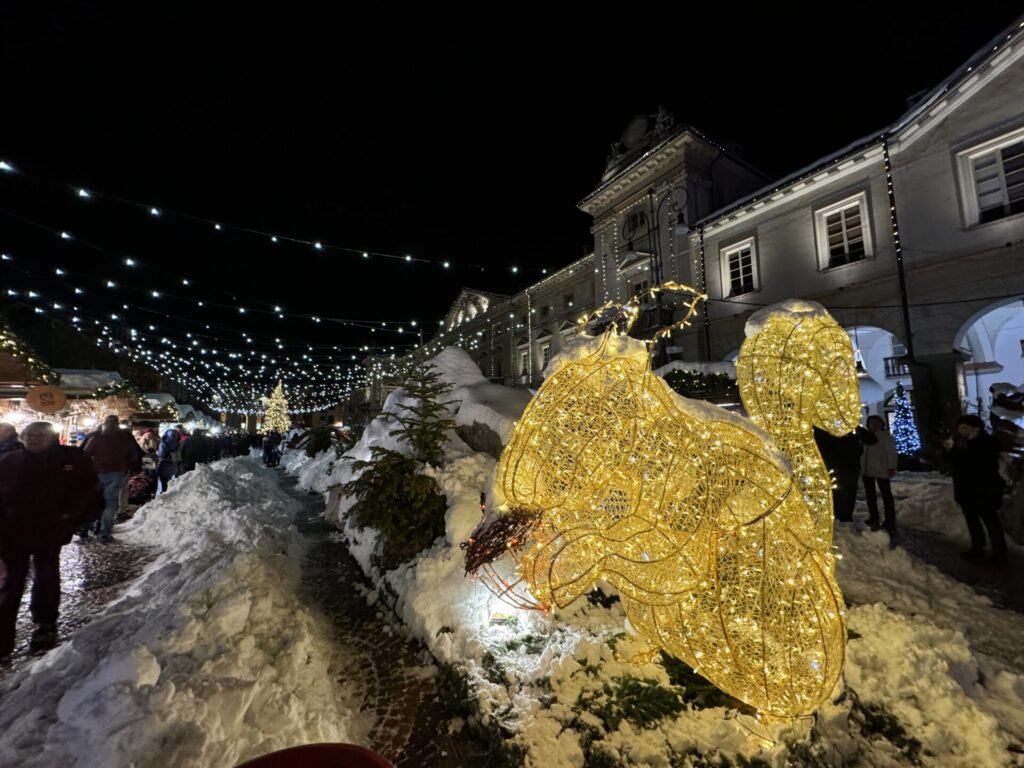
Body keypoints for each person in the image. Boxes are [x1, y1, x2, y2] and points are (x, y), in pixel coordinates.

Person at [0, 422, 101, 656]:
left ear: (51, 438)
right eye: (29, 435)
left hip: (49, 530)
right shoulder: (10, 461)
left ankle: (45, 623)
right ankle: (4, 635)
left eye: (39, 435)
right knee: (10, 582)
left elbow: (87, 490)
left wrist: (68, 516)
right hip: (13, 532)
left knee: (46, 574)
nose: (33, 439)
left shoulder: (70, 459)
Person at [944, 414, 1007, 565]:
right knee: (972, 520)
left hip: (985, 489)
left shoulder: (988, 441)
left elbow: (980, 461)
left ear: (975, 428)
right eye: (960, 427)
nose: (961, 430)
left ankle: (999, 553)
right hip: (965, 488)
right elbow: (955, 462)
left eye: (965, 427)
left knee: (990, 521)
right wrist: (948, 450)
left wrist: (971, 443)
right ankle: (977, 547)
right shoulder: (959, 442)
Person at [82, 415, 143, 542]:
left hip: (97, 473)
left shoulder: (97, 437)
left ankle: (85, 529)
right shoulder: (124, 438)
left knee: (94, 501)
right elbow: (134, 455)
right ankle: (105, 533)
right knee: (110, 504)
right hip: (117, 473)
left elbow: (86, 454)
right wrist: (126, 465)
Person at [814, 424, 877, 522]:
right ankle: (839, 518)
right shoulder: (822, 427)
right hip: (835, 467)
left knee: (846, 494)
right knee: (836, 494)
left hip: (847, 467)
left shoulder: (850, 427)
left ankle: (843, 519)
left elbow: (872, 440)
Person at [861, 415, 899, 531]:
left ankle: (890, 520)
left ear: (881, 424)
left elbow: (892, 452)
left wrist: (891, 467)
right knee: (870, 495)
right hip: (867, 470)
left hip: (881, 469)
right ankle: (874, 517)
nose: (873, 425)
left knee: (886, 495)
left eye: (876, 423)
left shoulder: (885, 436)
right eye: (871, 423)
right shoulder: (865, 436)